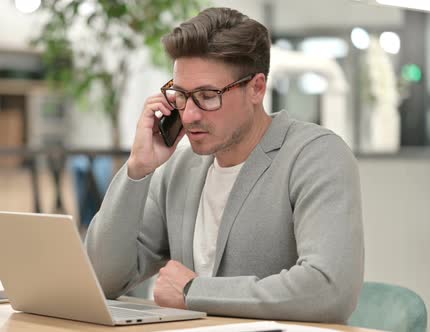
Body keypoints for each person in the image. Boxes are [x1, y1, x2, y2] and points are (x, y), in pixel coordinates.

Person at [85, 7, 363, 323]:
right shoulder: (180, 169)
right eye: (180, 95)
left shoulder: (316, 155)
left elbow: (330, 289)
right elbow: (101, 279)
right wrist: (138, 169)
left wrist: (193, 291)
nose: (189, 114)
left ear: (257, 88)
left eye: (207, 95)